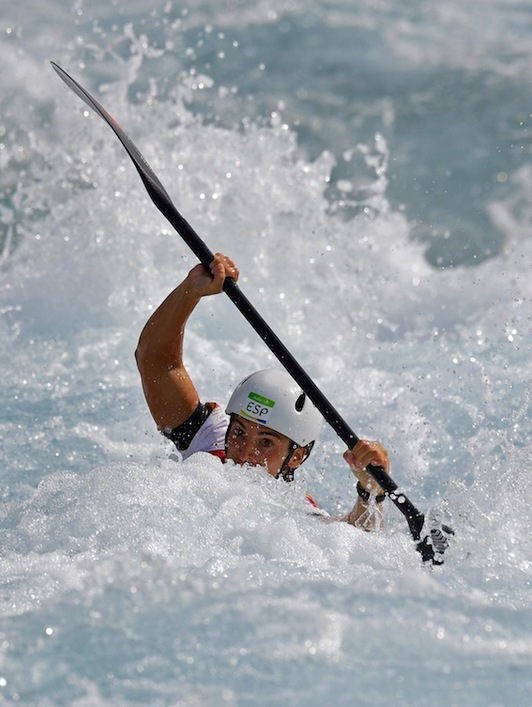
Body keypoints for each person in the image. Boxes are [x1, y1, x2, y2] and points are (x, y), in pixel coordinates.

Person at [135, 253, 390, 530]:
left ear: (297, 456)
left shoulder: (293, 515)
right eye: (240, 432)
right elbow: (155, 361)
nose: (244, 454)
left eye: (266, 443)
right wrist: (191, 290)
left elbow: (353, 539)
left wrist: (370, 493)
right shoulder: (210, 439)